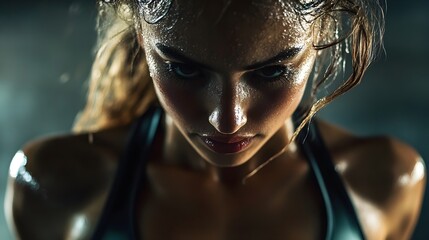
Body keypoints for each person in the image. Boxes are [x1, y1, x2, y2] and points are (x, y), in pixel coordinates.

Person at [4, 0, 426, 239]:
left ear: (321, 40)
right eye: (185, 70)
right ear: (140, 36)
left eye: (272, 71)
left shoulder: (384, 183)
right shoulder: (53, 188)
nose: (227, 119)